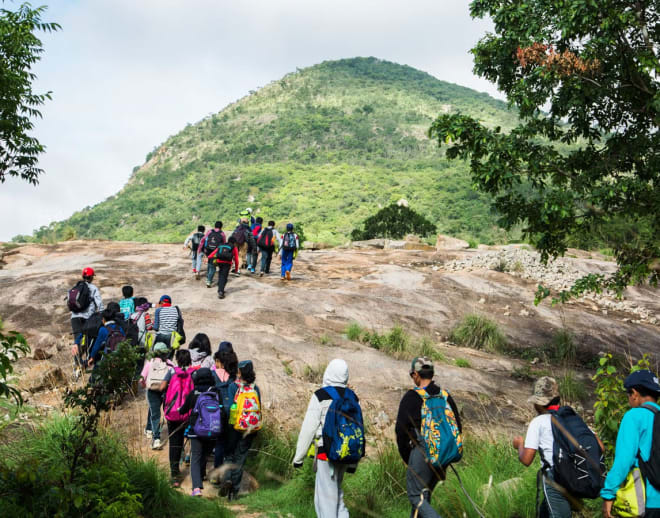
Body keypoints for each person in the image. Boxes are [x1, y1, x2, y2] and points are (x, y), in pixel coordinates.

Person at [512, 376, 603, 518]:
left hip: (555, 478)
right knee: (546, 511)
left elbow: (526, 459)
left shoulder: (538, 422)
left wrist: (519, 445)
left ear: (539, 403)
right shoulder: (572, 417)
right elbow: (600, 447)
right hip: (574, 475)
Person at [395, 356, 462, 518]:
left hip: (422, 453)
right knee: (424, 497)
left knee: (415, 496)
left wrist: (408, 458)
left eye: (413, 375)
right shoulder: (445, 396)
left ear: (416, 375)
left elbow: (401, 431)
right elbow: (457, 427)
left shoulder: (411, 397)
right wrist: (444, 451)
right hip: (443, 456)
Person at [293, 359, 355, 518]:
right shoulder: (352, 397)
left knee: (325, 502)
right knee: (337, 498)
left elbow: (308, 429)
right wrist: (353, 462)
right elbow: (356, 430)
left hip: (325, 454)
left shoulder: (321, 395)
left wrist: (298, 458)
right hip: (346, 453)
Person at [601, 370, 660, 518]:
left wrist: (609, 494)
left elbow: (623, 461)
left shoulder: (634, 416)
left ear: (634, 393)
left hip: (645, 502)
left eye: (628, 395)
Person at [221, 360, 262, 500]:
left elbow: (229, 407)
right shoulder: (255, 388)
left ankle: (227, 479)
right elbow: (259, 408)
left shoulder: (233, 386)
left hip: (233, 427)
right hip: (249, 428)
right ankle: (234, 492)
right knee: (240, 457)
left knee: (229, 454)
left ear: (239, 372)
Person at [178, 368, 222, 497]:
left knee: (195, 457)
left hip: (196, 430)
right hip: (213, 430)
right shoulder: (216, 392)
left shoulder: (194, 393)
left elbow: (183, 410)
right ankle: (202, 474)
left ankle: (196, 488)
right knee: (205, 455)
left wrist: (181, 409)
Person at [159, 348, 194, 486]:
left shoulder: (172, 371)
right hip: (188, 413)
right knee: (190, 438)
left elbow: (162, 387)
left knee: (174, 442)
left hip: (173, 412)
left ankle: (174, 475)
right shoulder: (193, 373)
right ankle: (196, 472)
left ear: (178, 360)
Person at [140, 342, 173, 450]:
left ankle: (156, 439)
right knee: (167, 412)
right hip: (165, 391)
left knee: (155, 414)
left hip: (152, 391)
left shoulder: (150, 362)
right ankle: (172, 435)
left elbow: (141, 379)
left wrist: (146, 385)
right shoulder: (169, 364)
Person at [69, 267, 104, 364]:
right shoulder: (93, 288)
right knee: (88, 338)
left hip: (74, 318)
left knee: (77, 340)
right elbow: (99, 303)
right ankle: (85, 361)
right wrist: (103, 314)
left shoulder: (75, 287)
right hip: (87, 318)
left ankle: (76, 363)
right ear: (91, 277)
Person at [213, 348, 239, 469]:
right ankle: (228, 475)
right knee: (231, 443)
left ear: (219, 361)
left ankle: (216, 474)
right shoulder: (233, 377)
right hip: (233, 413)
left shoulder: (213, 375)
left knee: (219, 442)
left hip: (218, 413)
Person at [199, 221, 226, 287]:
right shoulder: (222, 233)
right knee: (213, 266)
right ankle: (209, 280)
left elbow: (203, 239)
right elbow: (224, 243)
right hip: (216, 251)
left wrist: (200, 249)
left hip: (208, 250)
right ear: (221, 227)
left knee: (210, 263)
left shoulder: (210, 231)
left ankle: (208, 277)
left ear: (215, 226)